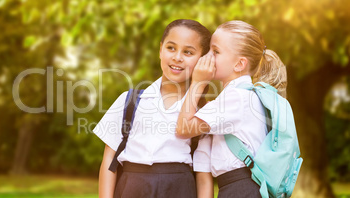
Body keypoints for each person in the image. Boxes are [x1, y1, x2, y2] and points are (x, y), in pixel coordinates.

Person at [93, 19, 212, 198]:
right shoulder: (130, 101)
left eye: (188, 52)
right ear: (160, 49)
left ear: (203, 60)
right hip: (131, 187)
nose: (177, 57)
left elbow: (204, 175)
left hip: (179, 189)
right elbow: (109, 161)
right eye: (171, 48)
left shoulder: (205, 111)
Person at [176, 20, 287, 198]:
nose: (207, 57)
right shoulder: (232, 100)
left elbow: (183, 128)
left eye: (216, 51)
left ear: (239, 64)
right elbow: (204, 163)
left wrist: (197, 82)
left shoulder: (237, 99)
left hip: (242, 189)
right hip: (235, 188)